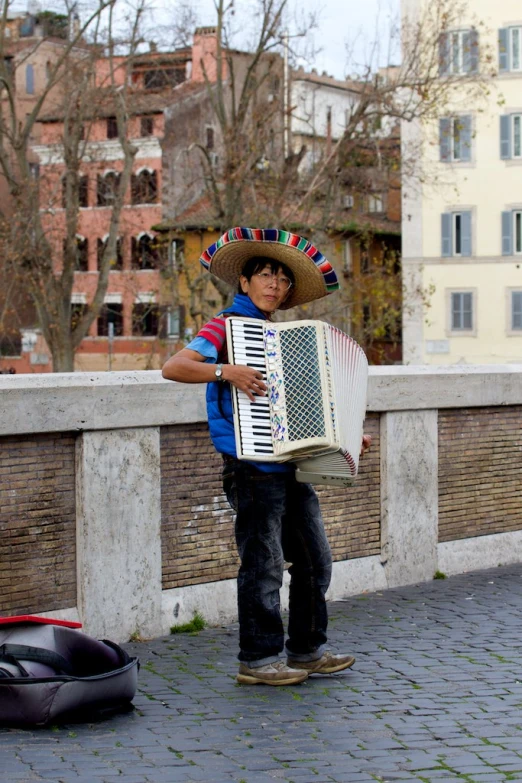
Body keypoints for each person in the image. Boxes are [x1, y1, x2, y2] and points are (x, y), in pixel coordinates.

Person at [162, 227, 371, 686]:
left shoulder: (288, 340)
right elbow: (173, 367)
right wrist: (226, 370)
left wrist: (348, 434)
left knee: (316, 559)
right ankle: (257, 661)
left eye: (282, 278)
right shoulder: (225, 329)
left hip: (291, 467)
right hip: (251, 468)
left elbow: (308, 409)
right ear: (245, 282)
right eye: (266, 275)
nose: (275, 284)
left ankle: (306, 652)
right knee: (264, 565)